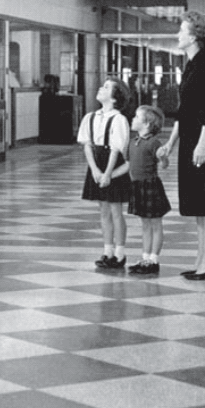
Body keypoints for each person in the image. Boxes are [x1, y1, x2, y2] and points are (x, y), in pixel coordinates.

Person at [158, 10, 205, 280]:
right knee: (197, 203)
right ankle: (202, 258)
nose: (177, 35)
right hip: (190, 140)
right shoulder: (191, 67)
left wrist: (202, 144)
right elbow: (184, 113)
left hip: (200, 141)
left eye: (182, 30)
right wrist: (171, 143)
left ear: (194, 36)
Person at [78, 77, 132, 269]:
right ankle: (107, 250)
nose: (101, 88)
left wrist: (108, 173)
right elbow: (87, 145)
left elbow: (117, 149)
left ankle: (119, 253)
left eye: (107, 87)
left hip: (112, 163)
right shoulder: (90, 117)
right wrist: (94, 169)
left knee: (116, 210)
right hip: (96, 162)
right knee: (103, 210)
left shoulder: (119, 119)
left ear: (115, 97)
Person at [127, 105, 171, 276]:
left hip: (150, 185)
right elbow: (129, 164)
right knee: (145, 224)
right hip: (137, 186)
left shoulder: (153, 143)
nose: (133, 119)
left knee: (155, 224)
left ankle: (154, 259)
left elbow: (164, 164)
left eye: (136, 117)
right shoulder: (133, 142)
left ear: (146, 124)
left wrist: (163, 157)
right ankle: (145, 258)